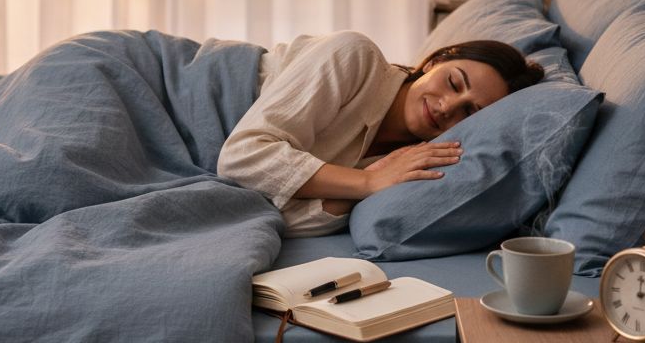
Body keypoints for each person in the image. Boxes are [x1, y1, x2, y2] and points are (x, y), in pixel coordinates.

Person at [217, 31, 544, 236]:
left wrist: (360, 187)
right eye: (454, 83)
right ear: (436, 61)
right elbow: (241, 158)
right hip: (188, 90)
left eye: (470, 112)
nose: (447, 107)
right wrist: (366, 183)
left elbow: (281, 219)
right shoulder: (354, 55)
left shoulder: (406, 163)